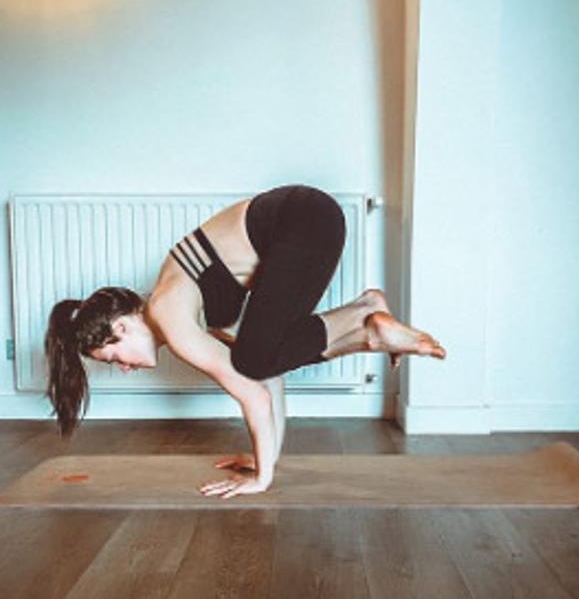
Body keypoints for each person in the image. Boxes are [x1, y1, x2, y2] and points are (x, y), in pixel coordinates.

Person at [44, 183, 446, 499]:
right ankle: (366, 312)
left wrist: (261, 478)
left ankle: (367, 323)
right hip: (310, 216)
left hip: (303, 221)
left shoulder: (171, 314)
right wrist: (265, 457)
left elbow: (253, 394)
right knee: (260, 356)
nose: (125, 368)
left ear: (122, 327)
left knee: (253, 359)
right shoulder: (186, 302)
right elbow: (269, 378)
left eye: (114, 358)